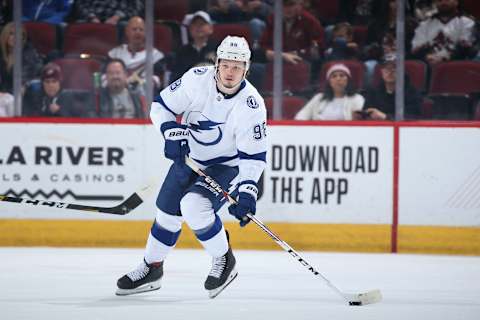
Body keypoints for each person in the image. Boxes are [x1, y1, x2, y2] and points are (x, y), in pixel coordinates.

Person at [116, 36, 267, 299]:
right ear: (217, 63)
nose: (231, 72)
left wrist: (248, 191)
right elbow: (160, 107)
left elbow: (252, 155)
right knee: (166, 213)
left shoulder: (251, 105)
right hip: (190, 159)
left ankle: (224, 260)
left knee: (194, 207)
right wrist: (170, 131)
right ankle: (152, 268)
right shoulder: (196, 79)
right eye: (226, 65)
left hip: (225, 167)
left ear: (246, 69)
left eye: (238, 66)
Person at [108, 16, 165, 95]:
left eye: (141, 30)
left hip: (143, 99)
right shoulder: (115, 53)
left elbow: (156, 81)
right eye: (134, 29)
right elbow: (105, 77)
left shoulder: (155, 56)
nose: (138, 32)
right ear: (127, 31)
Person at [411, 0, 476, 65]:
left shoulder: (467, 22)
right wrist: (428, 57)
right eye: (439, 0)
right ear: (435, 3)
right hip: (430, 67)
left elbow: (467, 49)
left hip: (457, 67)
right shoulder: (425, 25)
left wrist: (444, 58)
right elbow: (416, 49)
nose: (443, 2)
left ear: (456, 2)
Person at [294, 63, 364, 120]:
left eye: (342, 75)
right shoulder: (318, 98)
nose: (338, 79)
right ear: (329, 82)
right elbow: (301, 116)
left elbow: (360, 120)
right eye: (334, 76)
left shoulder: (357, 99)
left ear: (348, 80)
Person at [362, 55, 423, 120]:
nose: (390, 72)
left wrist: (386, 117)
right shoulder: (373, 91)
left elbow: (413, 116)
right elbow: (367, 113)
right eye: (386, 68)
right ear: (381, 71)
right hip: (377, 128)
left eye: (394, 68)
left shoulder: (412, 92)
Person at [171, 11, 217, 81]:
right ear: (190, 29)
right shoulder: (182, 52)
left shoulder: (219, 48)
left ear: (211, 29)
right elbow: (176, 77)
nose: (198, 27)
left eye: (202, 24)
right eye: (195, 24)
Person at [0, 22, 43, 94]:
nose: (15, 37)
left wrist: (5, 94)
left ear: (23, 37)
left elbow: (24, 79)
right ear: (5, 36)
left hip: (23, 91)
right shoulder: (2, 53)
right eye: (11, 33)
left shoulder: (28, 53)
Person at [67, 0, 144, 24]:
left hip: (119, 21)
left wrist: (117, 17)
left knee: (127, 25)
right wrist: (91, 17)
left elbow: (137, 7)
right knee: (79, 24)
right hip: (91, 19)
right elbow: (80, 4)